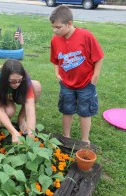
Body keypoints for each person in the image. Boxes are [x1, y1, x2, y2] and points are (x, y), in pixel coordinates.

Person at [49, 5, 104, 144]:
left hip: (86, 83)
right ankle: (66, 137)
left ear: (69, 24)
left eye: (58, 27)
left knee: (85, 111)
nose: (54, 30)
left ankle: (85, 140)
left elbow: (99, 57)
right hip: (66, 83)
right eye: (53, 27)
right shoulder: (55, 40)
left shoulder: (86, 36)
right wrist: (57, 74)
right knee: (66, 110)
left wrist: (94, 78)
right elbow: (55, 60)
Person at [0, 59, 42, 143]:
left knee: (36, 86)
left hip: (14, 93)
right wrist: (13, 132)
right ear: (5, 78)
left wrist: (31, 133)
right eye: (13, 81)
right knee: (9, 111)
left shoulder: (23, 76)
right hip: (1, 96)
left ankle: (21, 118)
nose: (17, 84)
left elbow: (30, 107)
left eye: (20, 81)